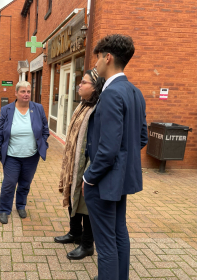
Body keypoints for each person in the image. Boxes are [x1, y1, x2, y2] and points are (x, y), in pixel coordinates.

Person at [82, 34, 148, 280]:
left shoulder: (110, 94)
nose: (96, 63)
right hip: (120, 181)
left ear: (107, 57)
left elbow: (107, 149)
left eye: (98, 58)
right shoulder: (135, 92)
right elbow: (141, 138)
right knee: (119, 233)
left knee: (106, 244)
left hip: (103, 182)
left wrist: (89, 177)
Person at [54, 69, 105, 261]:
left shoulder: (97, 109)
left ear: (95, 87)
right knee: (73, 198)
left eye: (84, 82)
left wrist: (90, 171)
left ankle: (87, 244)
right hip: (74, 164)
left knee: (85, 206)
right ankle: (74, 233)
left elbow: (98, 143)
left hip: (87, 166)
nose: (79, 85)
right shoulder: (82, 105)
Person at [0, 81, 49, 224]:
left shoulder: (38, 108)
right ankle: (4, 210)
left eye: (28, 91)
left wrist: (43, 144)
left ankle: (21, 205)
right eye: (23, 91)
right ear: (16, 93)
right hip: (12, 155)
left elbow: (45, 130)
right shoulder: (7, 110)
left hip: (31, 155)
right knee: (9, 183)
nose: (26, 94)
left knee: (25, 183)